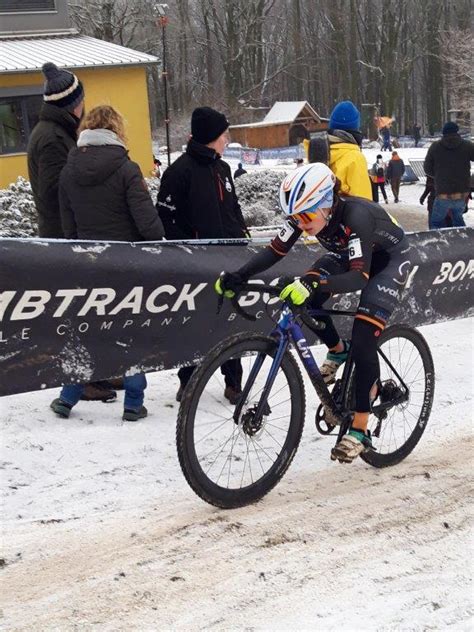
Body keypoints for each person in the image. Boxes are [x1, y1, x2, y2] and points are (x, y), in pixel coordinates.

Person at [215, 163, 407, 463]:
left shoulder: (355, 217)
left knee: (364, 333)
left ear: (327, 204)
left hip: (388, 262)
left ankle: (360, 429)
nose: (299, 223)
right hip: (348, 253)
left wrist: (313, 280)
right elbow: (275, 250)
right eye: (294, 217)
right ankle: (338, 350)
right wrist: (240, 275)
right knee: (305, 294)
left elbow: (359, 277)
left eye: (305, 216)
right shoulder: (305, 214)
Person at [50, 105, 165, 422]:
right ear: (116, 130)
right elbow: (151, 229)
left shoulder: (67, 172)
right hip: (126, 267)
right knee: (130, 331)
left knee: (87, 331)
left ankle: (68, 396)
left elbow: (68, 229)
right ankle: (133, 401)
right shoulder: (127, 169)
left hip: (87, 266)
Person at [27, 62, 115, 403]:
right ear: (73, 103)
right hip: (63, 235)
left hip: (67, 231)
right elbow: (53, 191)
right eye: (82, 98)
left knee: (87, 307)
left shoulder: (58, 131)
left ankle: (98, 373)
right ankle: (83, 378)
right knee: (78, 310)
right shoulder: (52, 137)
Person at [157, 106, 249, 403]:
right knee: (195, 322)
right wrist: (189, 251)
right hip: (197, 264)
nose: (227, 140)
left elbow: (232, 210)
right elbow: (167, 219)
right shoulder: (178, 171)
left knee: (230, 320)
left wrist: (242, 236)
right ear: (211, 136)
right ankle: (189, 380)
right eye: (224, 135)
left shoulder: (222, 169)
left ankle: (234, 382)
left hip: (230, 259)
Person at [308, 100, 372, 200]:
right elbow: (364, 204)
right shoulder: (355, 158)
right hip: (346, 215)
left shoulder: (317, 153)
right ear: (356, 127)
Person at [423, 121, 474, 229]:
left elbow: (427, 168)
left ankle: (438, 242)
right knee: (458, 219)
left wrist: (438, 176)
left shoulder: (435, 147)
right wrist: (471, 180)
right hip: (462, 192)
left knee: (436, 222)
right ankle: (461, 241)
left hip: (443, 192)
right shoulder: (467, 145)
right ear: (457, 131)